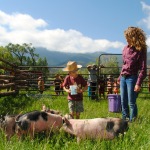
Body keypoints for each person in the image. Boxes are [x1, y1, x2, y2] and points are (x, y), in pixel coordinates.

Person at [118, 27, 147, 122]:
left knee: (131, 102)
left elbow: (143, 68)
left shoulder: (141, 49)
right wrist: (119, 78)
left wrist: (138, 83)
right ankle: (124, 121)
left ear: (133, 37)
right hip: (123, 77)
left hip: (132, 78)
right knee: (123, 101)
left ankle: (133, 121)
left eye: (128, 37)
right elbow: (124, 65)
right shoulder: (125, 48)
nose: (126, 39)